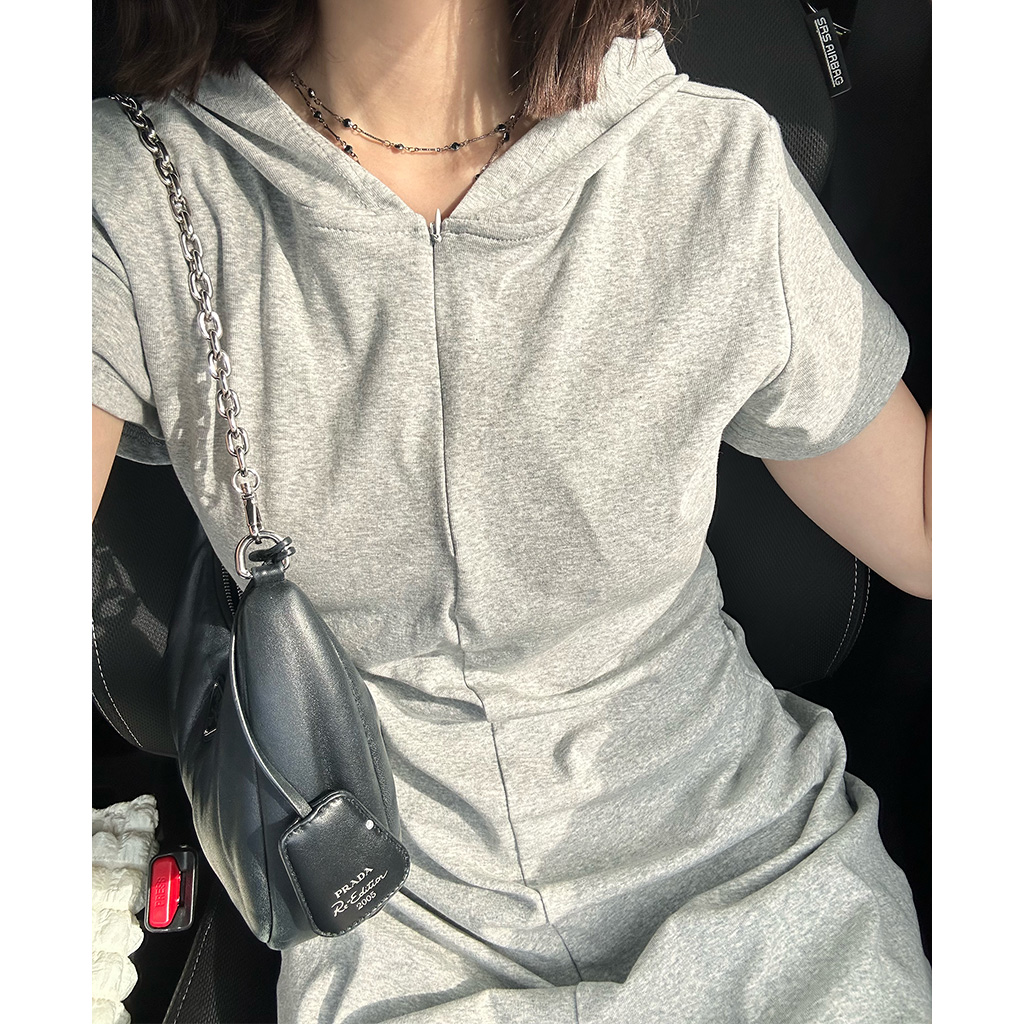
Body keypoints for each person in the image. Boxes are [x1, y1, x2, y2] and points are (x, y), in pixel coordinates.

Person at [92, 1, 933, 1021]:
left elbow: (930, 534)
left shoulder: (705, 160)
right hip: (384, 907)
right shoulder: (128, 198)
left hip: (761, 872)